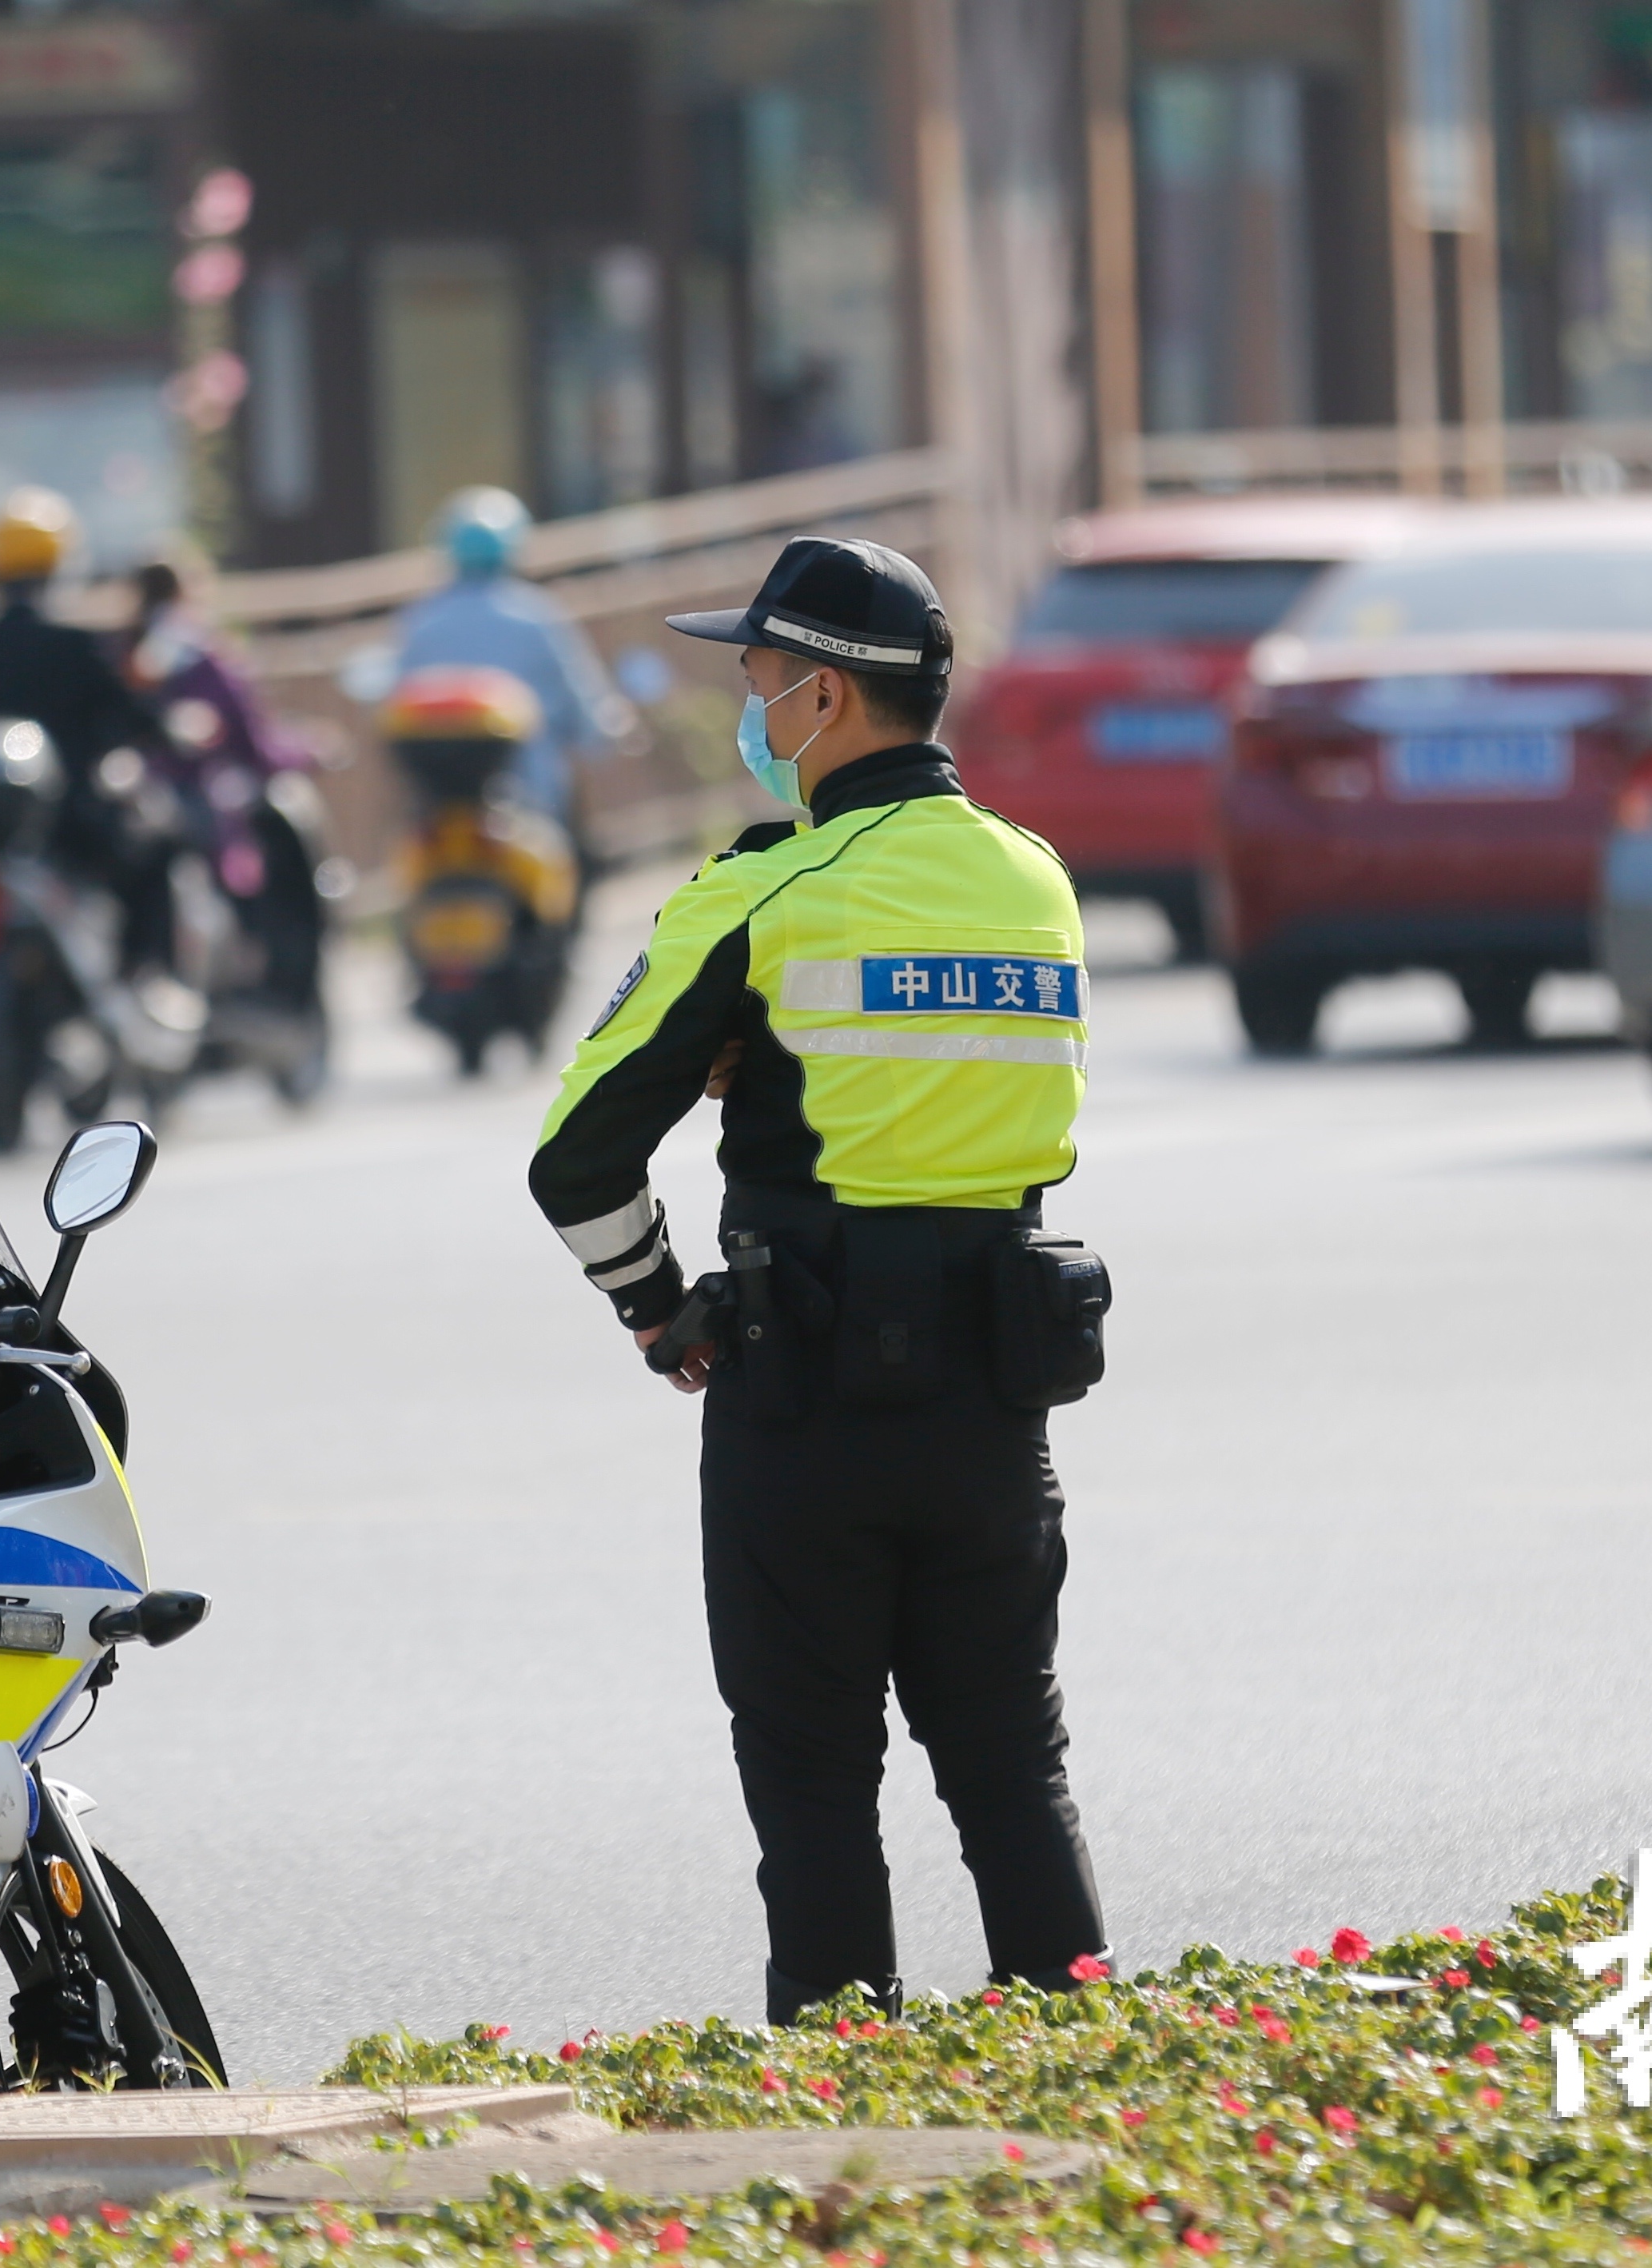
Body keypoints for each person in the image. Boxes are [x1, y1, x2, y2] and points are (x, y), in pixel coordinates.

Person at [525, 536, 1109, 2023]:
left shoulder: (762, 894)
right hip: (996, 1398)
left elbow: (576, 1155)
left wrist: (660, 1310)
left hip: (806, 1399)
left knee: (811, 1775)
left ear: (828, 702)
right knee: (1009, 1764)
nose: (749, 704)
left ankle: (844, 2123)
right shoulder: (1031, 879)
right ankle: (1088, 2079)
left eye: (761, 679)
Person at [0, 488, 177, 972]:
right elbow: (132, 718)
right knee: (159, 844)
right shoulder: (76, 646)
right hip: (69, 829)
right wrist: (169, 726)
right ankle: (146, 975)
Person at [123, 543, 325, 1018]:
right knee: (255, 873)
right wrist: (309, 751)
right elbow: (255, 744)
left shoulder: (122, 653)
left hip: (135, 805)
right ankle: (258, 977)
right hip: (199, 806)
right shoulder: (204, 656)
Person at [391, 487, 632, 834]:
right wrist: (604, 730)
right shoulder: (535, 616)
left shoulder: (420, 622)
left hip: (437, 807)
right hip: (531, 797)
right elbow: (580, 698)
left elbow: (395, 699)